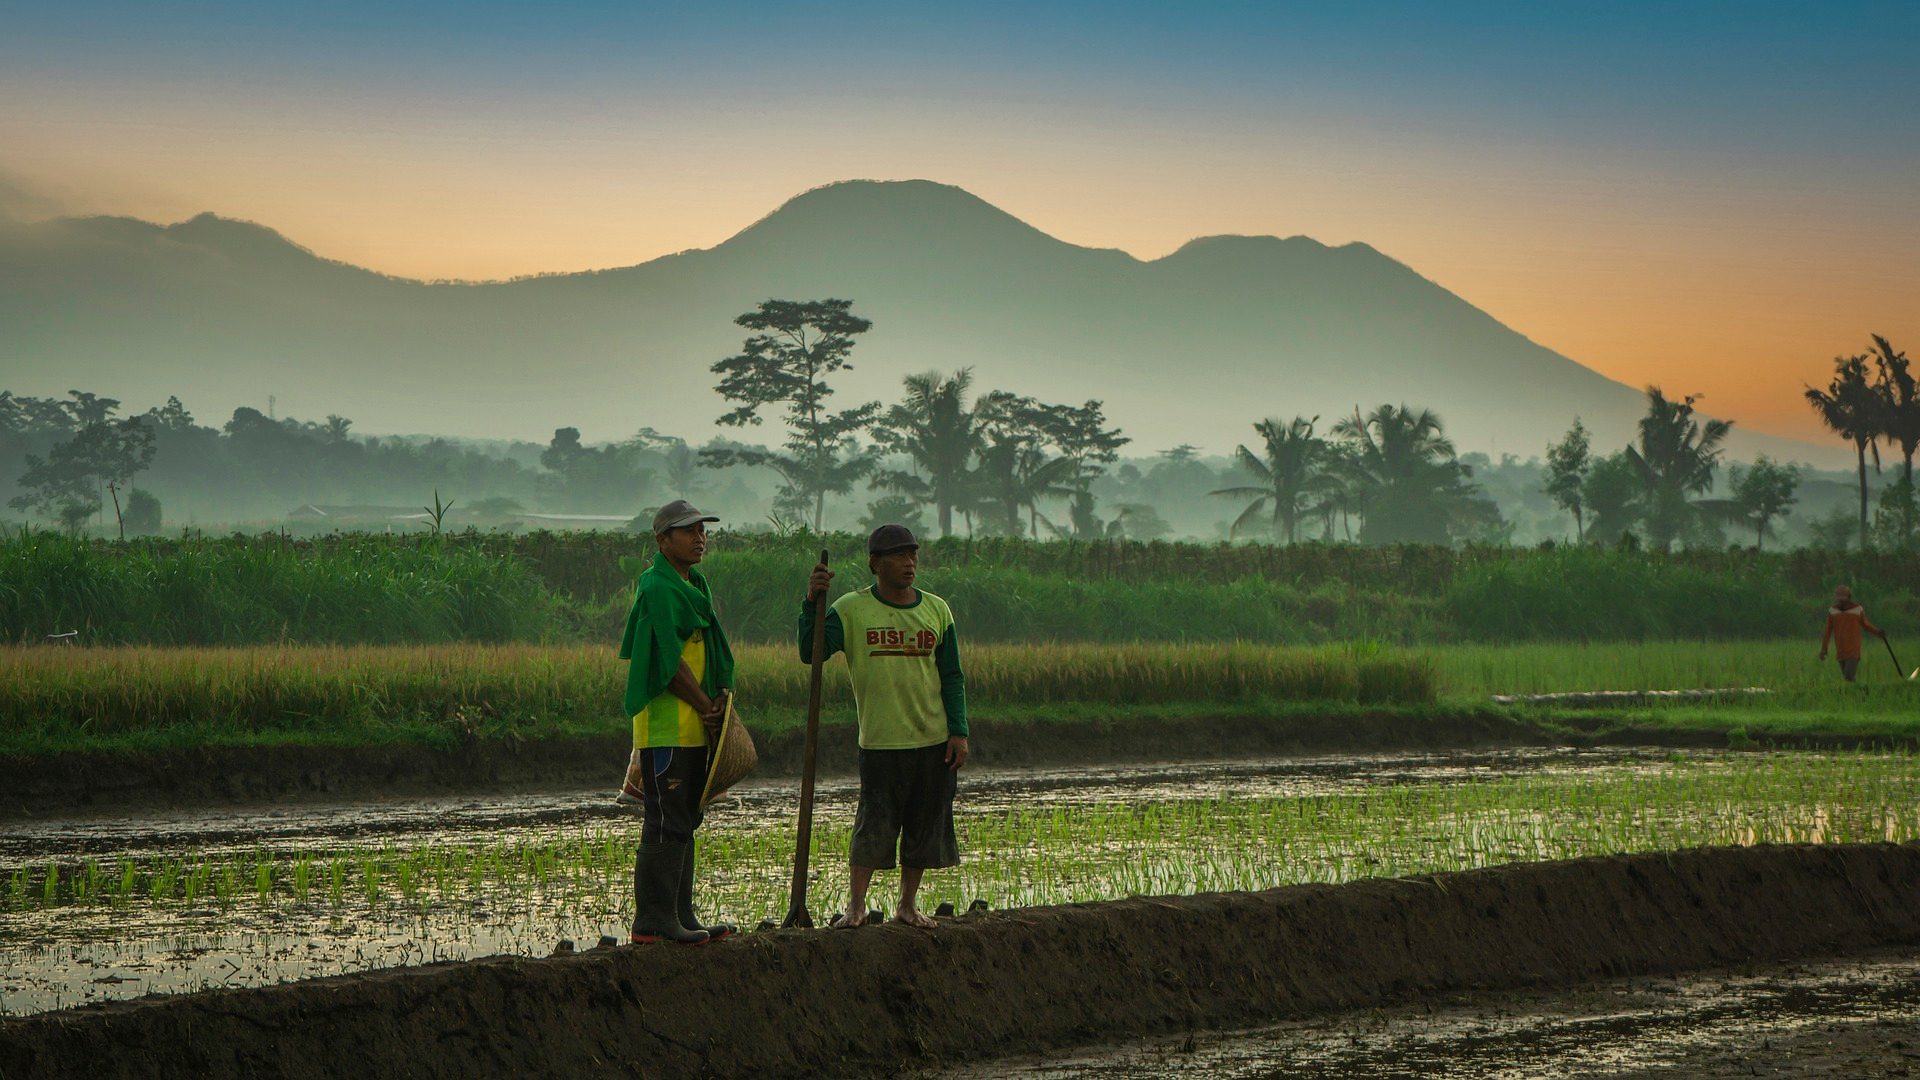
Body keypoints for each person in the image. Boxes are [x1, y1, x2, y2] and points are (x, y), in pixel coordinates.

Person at [799, 523, 969, 929]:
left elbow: (952, 676)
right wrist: (811, 603)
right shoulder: (850, 609)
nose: (908, 563)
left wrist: (959, 730)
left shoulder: (937, 610)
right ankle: (857, 906)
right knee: (874, 826)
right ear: (875, 564)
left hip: (932, 739)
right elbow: (812, 651)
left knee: (924, 828)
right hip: (880, 743)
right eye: (898, 556)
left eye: (913, 555)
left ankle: (907, 905)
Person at [618, 499, 737, 944]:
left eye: (702, 529)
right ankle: (653, 920)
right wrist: (708, 704)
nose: (699, 537)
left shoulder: (695, 583)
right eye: (688, 531)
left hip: (694, 725)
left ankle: (680, 914)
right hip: (668, 726)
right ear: (662, 540)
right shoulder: (658, 587)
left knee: (686, 818)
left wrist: (715, 703)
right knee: (666, 819)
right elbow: (668, 663)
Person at [1818, 584, 1886, 683]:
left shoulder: (1857, 609)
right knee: (1847, 679)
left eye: (1843, 598)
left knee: (1849, 676)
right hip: (1841, 650)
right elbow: (1827, 632)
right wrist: (1824, 650)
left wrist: (1878, 632)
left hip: (1853, 649)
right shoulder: (1833, 611)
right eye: (1839, 598)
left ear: (1849, 597)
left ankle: (1859, 694)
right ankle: (1855, 694)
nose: (1841, 601)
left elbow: (1866, 625)